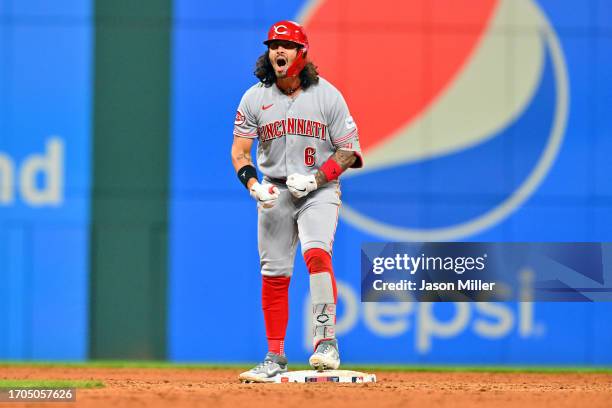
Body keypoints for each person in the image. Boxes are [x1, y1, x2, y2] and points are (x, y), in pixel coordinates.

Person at [231, 20, 363, 383]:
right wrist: (254, 186)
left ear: (302, 54)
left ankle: (326, 344)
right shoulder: (253, 98)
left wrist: (317, 178)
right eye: (274, 45)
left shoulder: (327, 95)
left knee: (316, 254)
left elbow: (349, 151)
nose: (278, 51)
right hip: (274, 191)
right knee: (274, 275)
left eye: (286, 46)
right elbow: (240, 152)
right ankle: (275, 356)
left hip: (318, 191)